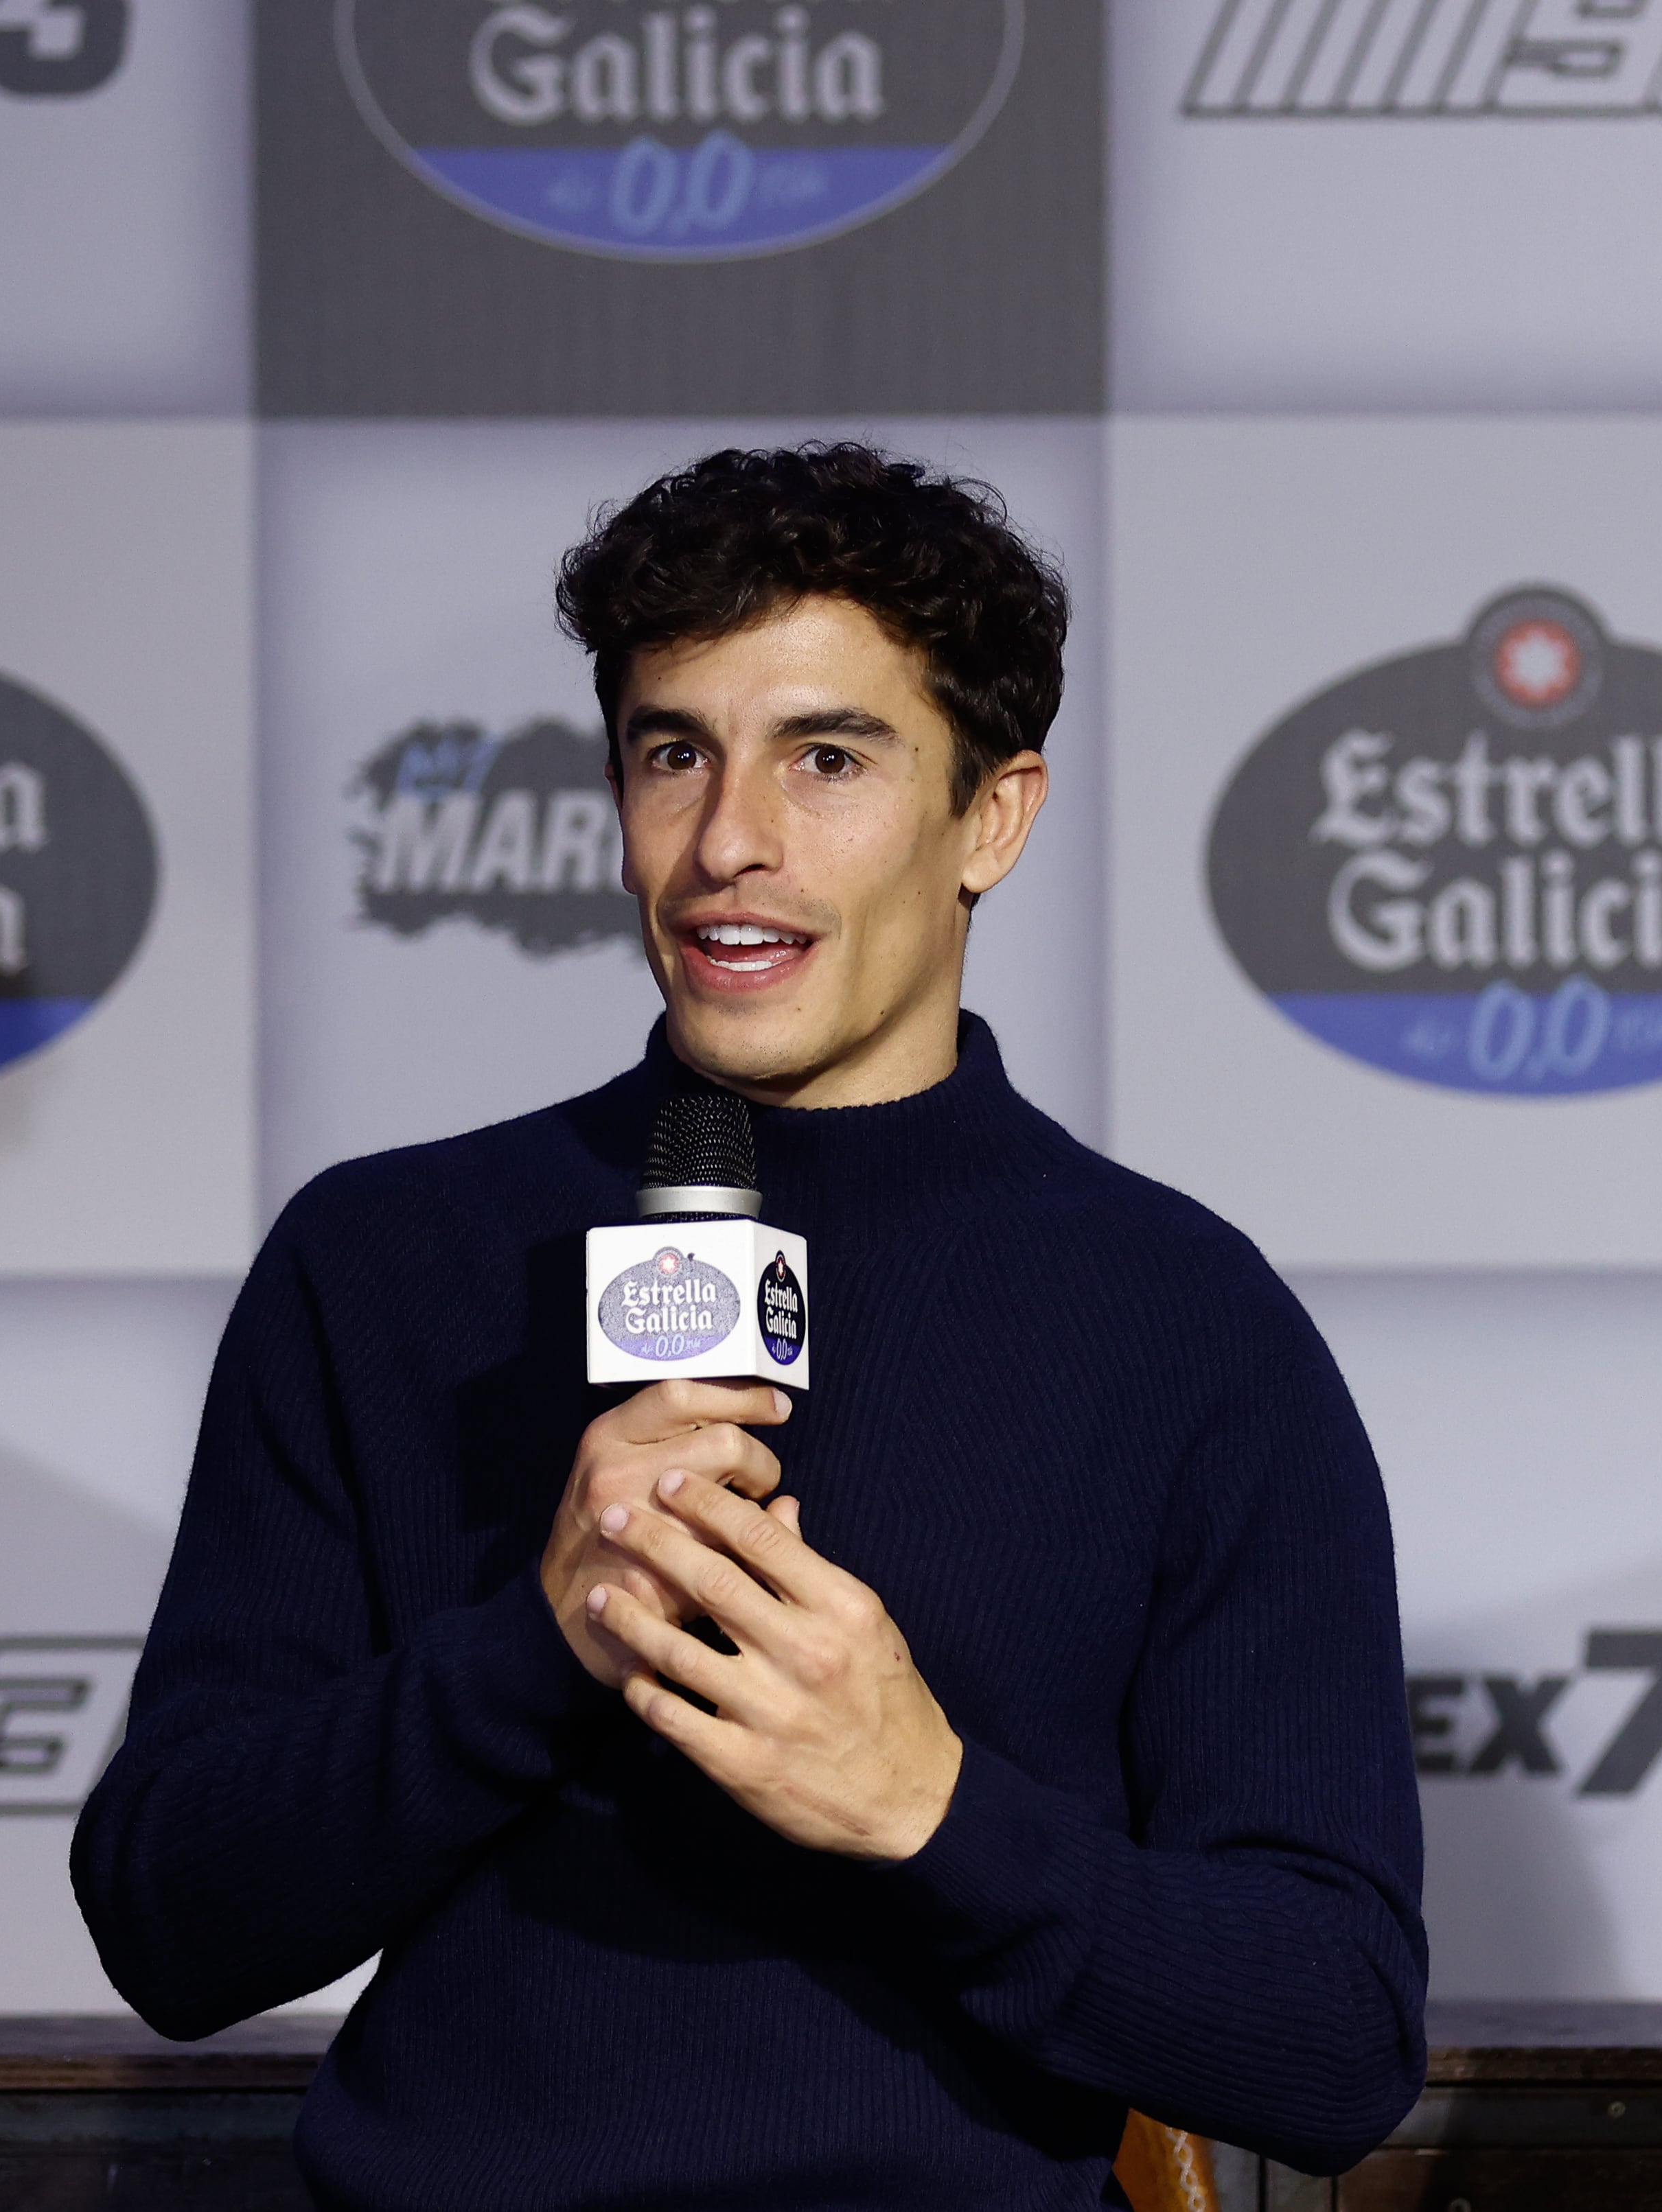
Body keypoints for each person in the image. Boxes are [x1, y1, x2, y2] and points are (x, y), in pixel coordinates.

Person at [75, 444, 1429, 2209]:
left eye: (828, 758)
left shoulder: (1184, 1322)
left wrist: (929, 1806)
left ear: (991, 819)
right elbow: (171, 1918)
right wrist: (536, 1644)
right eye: (673, 754)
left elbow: (1330, 2041)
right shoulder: (385, 1257)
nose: (728, 844)